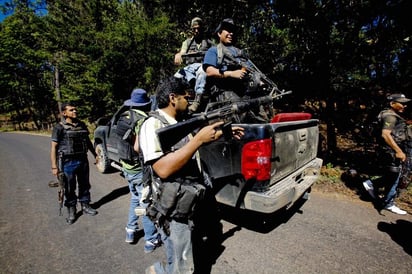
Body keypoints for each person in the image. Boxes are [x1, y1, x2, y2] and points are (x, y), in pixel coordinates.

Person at [139, 76, 243, 273]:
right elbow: (162, 168)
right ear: (173, 98)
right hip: (172, 208)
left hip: (189, 199)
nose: (190, 102)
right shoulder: (152, 125)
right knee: (181, 265)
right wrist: (197, 141)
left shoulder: (179, 122)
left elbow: (188, 148)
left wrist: (224, 133)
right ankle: (158, 271)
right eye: (187, 97)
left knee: (187, 257)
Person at [120, 88, 161, 253]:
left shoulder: (125, 116)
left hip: (126, 166)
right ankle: (150, 240)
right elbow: (138, 147)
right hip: (138, 168)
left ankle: (130, 231)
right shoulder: (143, 120)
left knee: (135, 198)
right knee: (146, 203)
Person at [50, 102, 98, 224]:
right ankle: (71, 210)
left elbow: (87, 141)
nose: (75, 111)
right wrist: (54, 166)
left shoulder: (81, 125)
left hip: (82, 160)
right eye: (71, 110)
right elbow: (54, 147)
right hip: (67, 162)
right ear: (64, 113)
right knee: (69, 187)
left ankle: (85, 205)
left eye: (75, 109)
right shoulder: (59, 128)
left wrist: (95, 155)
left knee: (84, 184)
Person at [363, 93, 410, 215]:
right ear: (392, 103)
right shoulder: (390, 117)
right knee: (395, 176)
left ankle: (372, 184)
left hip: (389, 150)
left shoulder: (391, 115)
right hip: (391, 151)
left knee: (392, 176)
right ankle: (388, 203)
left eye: (405, 103)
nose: (404, 105)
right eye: (401, 103)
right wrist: (398, 151)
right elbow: (385, 135)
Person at [203, 18, 248, 102]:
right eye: (228, 30)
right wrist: (231, 73)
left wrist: (243, 71)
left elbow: (248, 67)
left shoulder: (239, 52)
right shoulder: (214, 50)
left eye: (232, 31)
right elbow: (210, 71)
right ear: (219, 33)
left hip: (244, 91)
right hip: (224, 93)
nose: (231, 33)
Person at [174, 17, 213, 113]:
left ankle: (197, 101)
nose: (196, 31)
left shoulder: (209, 43)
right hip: (190, 69)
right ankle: (175, 102)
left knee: (201, 71)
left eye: (199, 28)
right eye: (194, 29)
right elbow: (182, 52)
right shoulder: (186, 42)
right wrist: (178, 55)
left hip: (203, 67)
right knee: (176, 76)